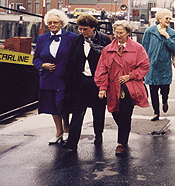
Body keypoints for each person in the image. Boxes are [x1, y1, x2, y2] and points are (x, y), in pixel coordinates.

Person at [94, 20, 150, 155]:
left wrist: (130, 76)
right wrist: (102, 87)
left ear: (128, 33)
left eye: (121, 33)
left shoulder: (137, 48)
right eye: (116, 32)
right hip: (113, 87)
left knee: (125, 114)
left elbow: (144, 65)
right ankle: (125, 130)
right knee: (114, 111)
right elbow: (101, 69)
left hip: (129, 88)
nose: (118, 35)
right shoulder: (107, 50)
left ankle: (121, 142)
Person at [62, 14, 112, 151]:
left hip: (98, 82)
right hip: (81, 81)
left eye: (85, 29)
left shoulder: (104, 40)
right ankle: (72, 143)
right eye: (80, 29)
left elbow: (110, 62)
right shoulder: (77, 40)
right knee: (78, 112)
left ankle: (98, 135)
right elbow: (71, 61)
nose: (82, 32)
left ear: (93, 28)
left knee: (98, 111)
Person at [33, 9, 77, 144]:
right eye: (50, 22)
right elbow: (36, 59)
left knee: (64, 104)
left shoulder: (72, 37)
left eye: (55, 22)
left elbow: (76, 58)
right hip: (48, 78)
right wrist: (43, 65)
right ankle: (58, 132)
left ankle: (67, 129)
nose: (52, 25)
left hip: (64, 79)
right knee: (52, 105)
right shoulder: (42, 39)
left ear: (61, 23)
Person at [142, 9, 175, 121]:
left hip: (164, 66)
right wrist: (144, 62)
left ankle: (165, 100)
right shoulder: (150, 31)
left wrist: (167, 37)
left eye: (169, 19)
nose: (168, 20)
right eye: (166, 18)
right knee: (153, 90)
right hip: (152, 66)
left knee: (165, 88)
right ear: (159, 19)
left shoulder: (171, 33)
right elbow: (144, 47)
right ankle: (156, 112)